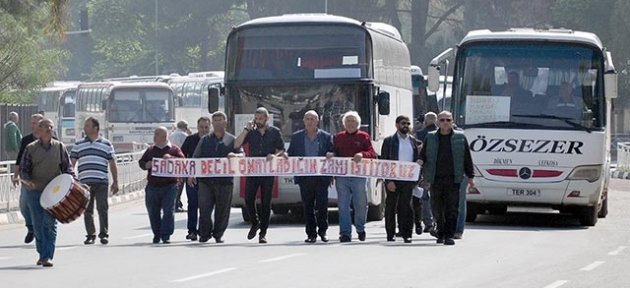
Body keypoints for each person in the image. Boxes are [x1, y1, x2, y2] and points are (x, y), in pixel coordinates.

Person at [20, 119, 74, 267]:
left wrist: (73, 183)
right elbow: (24, 169)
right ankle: (41, 253)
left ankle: (47, 256)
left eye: (51, 127)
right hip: (35, 191)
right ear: (40, 130)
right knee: (37, 224)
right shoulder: (31, 148)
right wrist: (27, 181)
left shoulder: (60, 147)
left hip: (54, 193)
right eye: (46, 127)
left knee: (49, 224)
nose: (49, 129)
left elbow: (68, 169)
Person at [419, 111, 474, 246]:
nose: (445, 122)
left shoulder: (460, 138)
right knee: (437, 207)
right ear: (437, 122)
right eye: (442, 120)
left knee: (452, 208)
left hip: (454, 178)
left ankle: (449, 235)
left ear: (452, 122)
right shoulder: (430, 137)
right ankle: (440, 232)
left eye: (448, 120)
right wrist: (420, 163)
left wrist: (471, 177)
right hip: (435, 177)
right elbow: (423, 155)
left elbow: (467, 158)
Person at [189, 112, 244, 243]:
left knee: (222, 211)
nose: (218, 123)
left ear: (226, 122)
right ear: (212, 124)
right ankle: (204, 234)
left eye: (220, 120)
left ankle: (218, 234)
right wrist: (191, 174)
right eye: (215, 120)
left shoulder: (232, 139)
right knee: (204, 209)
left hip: (225, 182)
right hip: (206, 182)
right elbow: (195, 158)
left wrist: (235, 156)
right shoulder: (205, 140)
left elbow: (243, 155)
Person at [235, 107, 284, 244]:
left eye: (260, 118)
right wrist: (246, 129)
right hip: (253, 170)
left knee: (265, 202)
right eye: (256, 118)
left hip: (268, 171)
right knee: (248, 198)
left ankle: (263, 232)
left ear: (267, 118)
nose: (258, 121)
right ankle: (255, 222)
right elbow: (236, 144)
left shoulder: (274, 132)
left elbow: (282, 150)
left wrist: (274, 155)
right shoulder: (251, 133)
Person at [326, 111, 377, 242]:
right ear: (344, 123)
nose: (350, 123)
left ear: (358, 123)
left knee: (361, 204)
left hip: (359, 175)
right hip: (342, 176)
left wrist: (362, 154)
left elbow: (372, 153)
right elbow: (334, 151)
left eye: (353, 121)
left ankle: (360, 228)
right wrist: (331, 154)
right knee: (343, 205)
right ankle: (345, 233)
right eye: (348, 121)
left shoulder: (364, 136)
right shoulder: (338, 136)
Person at [285, 110, 334, 243]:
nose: (310, 121)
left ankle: (323, 231)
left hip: (321, 177)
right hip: (305, 177)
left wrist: (331, 154)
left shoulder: (326, 136)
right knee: (308, 207)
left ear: (317, 121)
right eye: (307, 119)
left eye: (312, 119)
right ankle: (311, 234)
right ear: (304, 121)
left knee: (322, 206)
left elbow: (334, 151)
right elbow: (291, 153)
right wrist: (284, 156)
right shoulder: (297, 137)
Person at [70, 117, 119, 245]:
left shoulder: (106, 144)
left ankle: (104, 234)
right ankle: (90, 235)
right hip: (85, 183)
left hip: (101, 181)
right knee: (87, 209)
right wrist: (71, 179)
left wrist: (116, 181)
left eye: (87, 126)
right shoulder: (78, 145)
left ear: (95, 128)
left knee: (102, 208)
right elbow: (72, 163)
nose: (85, 128)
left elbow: (112, 163)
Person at [138, 127, 184, 244]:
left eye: (157, 134)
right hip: (153, 186)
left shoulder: (174, 149)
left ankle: (165, 235)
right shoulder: (151, 150)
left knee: (168, 211)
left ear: (164, 136)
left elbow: (183, 162)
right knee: (153, 211)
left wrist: (172, 159)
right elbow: (141, 162)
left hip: (170, 185)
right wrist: (146, 164)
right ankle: (156, 234)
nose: (154, 136)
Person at [380, 115, 422, 243]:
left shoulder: (414, 142)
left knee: (406, 207)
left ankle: (406, 233)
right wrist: (388, 180)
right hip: (393, 178)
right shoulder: (389, 141)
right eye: (403, 123)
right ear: (397, 125)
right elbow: (384, 162)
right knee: (391, 207)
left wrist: (418, 179)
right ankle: (390, 233)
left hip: (408, 179)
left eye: (408, 123)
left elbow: (418, 161)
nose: (406, 126)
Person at [12, 114, 45, 244]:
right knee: (24, 204)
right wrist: (16, 175)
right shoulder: (26, 140)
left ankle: (42, 230)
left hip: (45, 180)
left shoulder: (50, 139)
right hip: (28, 179)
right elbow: (19, 159)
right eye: (31, 123)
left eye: (35, 123)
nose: (32, 126)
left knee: (43, 206)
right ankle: (31, 228)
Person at [180, 117, 212, 241]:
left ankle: (204, 231)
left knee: (206, 206)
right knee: (192, 204)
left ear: (210, 128)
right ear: (197, 127)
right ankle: (192, 231)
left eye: (206, 127)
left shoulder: (214, 140)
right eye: (201, 127)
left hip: (209, 180)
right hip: (192, 178)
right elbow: (182, 157)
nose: (204, 130)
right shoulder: (190, 140)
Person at [415, 112, 439, 234]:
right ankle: (437, 222)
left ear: (426, 121)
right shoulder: (441, 133)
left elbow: (419, 153)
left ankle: (427, 222)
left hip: (423, 169)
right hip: (438, 170)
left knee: (424, 196)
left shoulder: (420, 134)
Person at [169, 120, 189, 213]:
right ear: (185, 127)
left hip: (172, 161)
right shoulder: (184, 136)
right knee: (180, 183)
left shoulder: (172, 134)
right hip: (181, 161)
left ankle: (176, 202)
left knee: (174, 182)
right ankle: (176, 203)